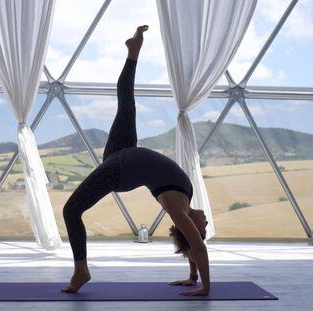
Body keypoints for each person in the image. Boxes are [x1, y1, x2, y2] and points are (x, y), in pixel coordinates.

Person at [61, 25, 210, 296]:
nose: (206, 225)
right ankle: (134, 51)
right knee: (126, 102)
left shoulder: (177, 208)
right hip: (123, 150)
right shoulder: (185, 200)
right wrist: (192, 276)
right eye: (204, 229)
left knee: (71, 211)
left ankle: (81, 270)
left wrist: (205, 287)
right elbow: (194, 243)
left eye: (203, 229)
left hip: (118, 170)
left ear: (188, 228)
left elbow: (197, 245)